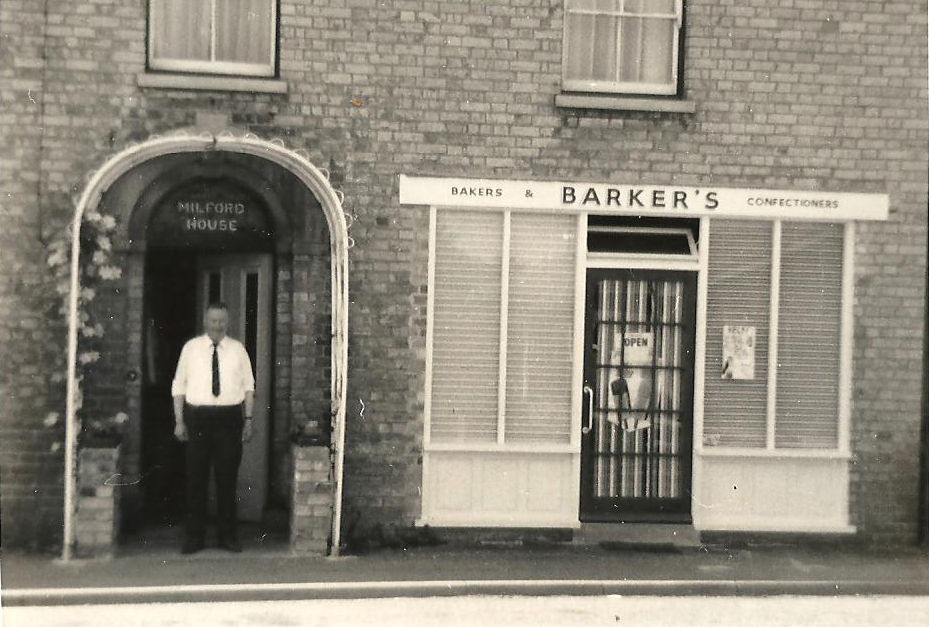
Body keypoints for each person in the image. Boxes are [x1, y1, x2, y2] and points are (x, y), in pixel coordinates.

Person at [171, 301, 254, 554]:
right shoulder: (191, 349)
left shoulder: (238, 350)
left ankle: (227, 536)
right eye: (213, 320)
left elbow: (249, 387)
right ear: (205, 322)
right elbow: (179, 387)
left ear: (227, 323)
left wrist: (248, 420)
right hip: (198, 418)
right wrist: (179, 421)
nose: (217, 325)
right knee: (196, 478)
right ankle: (194, 538)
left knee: (226, 479)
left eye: (221, 321)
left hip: (229, 419)